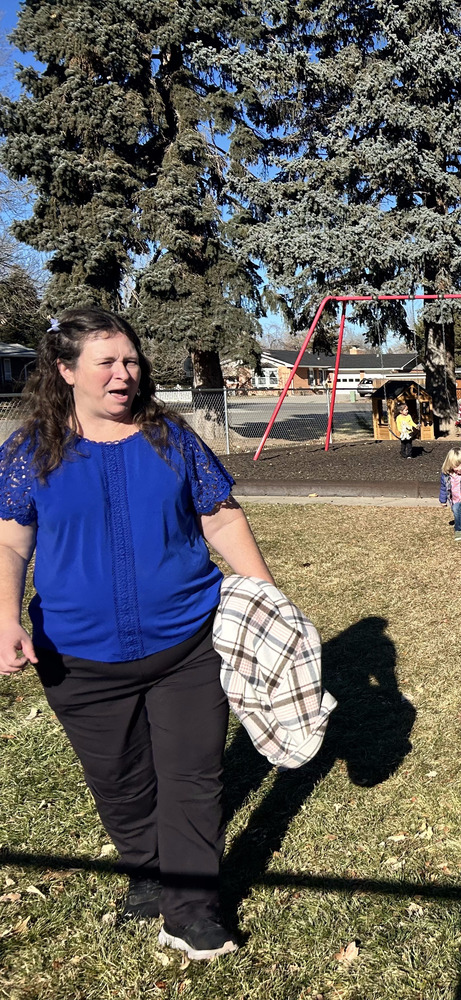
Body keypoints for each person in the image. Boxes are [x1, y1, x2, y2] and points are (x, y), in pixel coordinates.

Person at [0, 309, 274, 960]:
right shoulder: (30, 449)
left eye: (131, 360)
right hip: (78, 657)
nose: (124, 373)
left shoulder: (171, 439)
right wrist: (5, 615)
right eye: (106, 362)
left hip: (187, 645)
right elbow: (11, 542)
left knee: (192, 777)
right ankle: (148, 875)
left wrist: (266, 599)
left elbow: (222, 521)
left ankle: (190, 912)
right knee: (121, 782)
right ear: (65, 372)